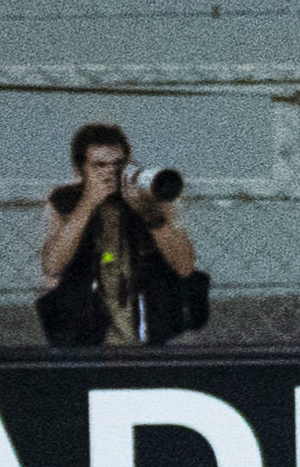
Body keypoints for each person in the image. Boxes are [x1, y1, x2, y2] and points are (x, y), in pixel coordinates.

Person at [37, 123, 201, 348]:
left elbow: (184, 266)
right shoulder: (66, 201)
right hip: (86, 332)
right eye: (99, 165)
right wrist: (88, 203)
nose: (110, 172)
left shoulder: (150, 196)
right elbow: (53, 264)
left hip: (149, 329)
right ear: (79, 170)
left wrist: (151, 215)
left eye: (117, 164)